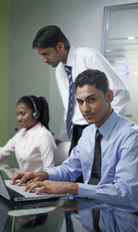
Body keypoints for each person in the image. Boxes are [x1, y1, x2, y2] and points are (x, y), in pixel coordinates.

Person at [11, 70, 138, 209]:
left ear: (109, 96)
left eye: (91, 99)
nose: (85, 109)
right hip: (89, 213)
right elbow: (69, 169)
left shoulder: (131, 136)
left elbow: (125, 193)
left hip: (120, 218)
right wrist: (42, 174)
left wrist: (71, 187)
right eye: (80, 101)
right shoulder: (88, 133)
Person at [32, 25, 130, 151]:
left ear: (60, 46)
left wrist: (108, 129)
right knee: (75, 170)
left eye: (46, 54)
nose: (43, 60)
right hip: (77, 132)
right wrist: (61, 138)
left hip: (97, 127)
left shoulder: (89, 57)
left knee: (98, 170)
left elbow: (120, 93)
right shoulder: (60, 71)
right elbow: (70, 109)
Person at [0, 95, 56, 176]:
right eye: (17, 114)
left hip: (37, 185)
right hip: (23, 182)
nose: (18, 118)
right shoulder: (21, 133)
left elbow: (49, 171)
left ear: (35, 114)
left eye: (22, 114)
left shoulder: (44, 136)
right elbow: (2, 153)